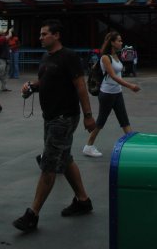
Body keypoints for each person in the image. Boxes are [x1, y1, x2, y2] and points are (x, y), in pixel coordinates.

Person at [13, 20, 96, 233]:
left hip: (64, 118)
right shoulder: (46, 57)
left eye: (44, 34)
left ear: (56, 35)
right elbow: (46, 81)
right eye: (40, 34)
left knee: (49, 165)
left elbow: (80, 87)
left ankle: (32, 215)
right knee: (65, 158)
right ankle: (83, 201)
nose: (40, 37)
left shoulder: (68, 57)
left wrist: (88, 116)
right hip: (50, 118)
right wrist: (31, 86)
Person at [83, 31, 140, 158]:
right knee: (101, 121)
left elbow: (118, 73)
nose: (121, 43)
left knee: (124, 120)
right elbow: (113, 76)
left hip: (117, 92)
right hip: (107, 94)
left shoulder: (116, 56)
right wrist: (130, 86)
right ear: (112, 43)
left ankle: (132, 146)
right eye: (119, 41)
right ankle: (88, 146)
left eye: (121, 40)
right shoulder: (105, 57)